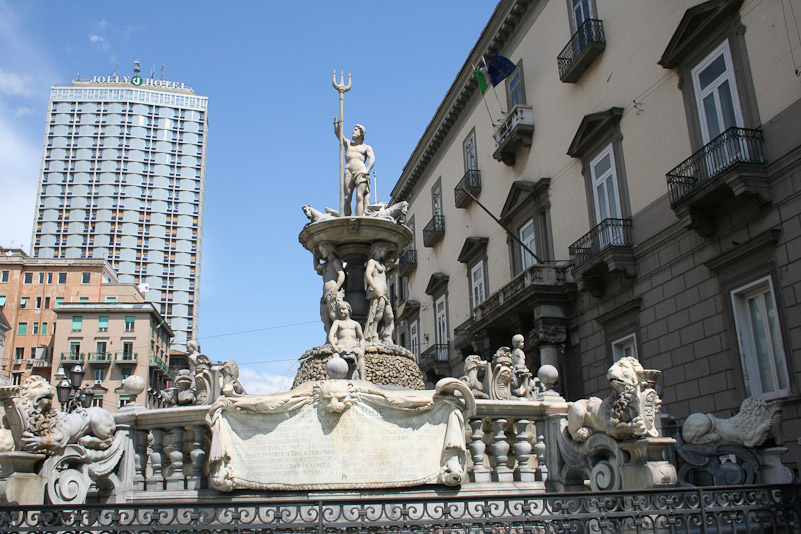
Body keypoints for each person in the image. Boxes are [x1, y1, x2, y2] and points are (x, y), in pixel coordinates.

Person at [334, 121, 375, 216]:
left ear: (361, 133)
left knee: (359, 196)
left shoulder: (366, 147)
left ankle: (359, 219)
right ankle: (347, 220)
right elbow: (338, 134)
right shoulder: (348, 144)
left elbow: (372, 158)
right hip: (348, 171)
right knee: (347, 197)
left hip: (361, 171)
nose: (353, 131)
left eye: (355, 130)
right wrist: (336, 125)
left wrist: (367, 170)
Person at [328, 301, 366, 380]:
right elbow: (331, 335)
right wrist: (334, 346)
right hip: (341, 347)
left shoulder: (355, 324)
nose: (341, 311)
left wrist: (362, 348)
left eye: (343, 309)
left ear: (349, 310)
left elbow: (362, 338)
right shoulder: (337, 322)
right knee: (335, 356)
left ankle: (362, 378)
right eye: (339, 310)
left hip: (353, 347)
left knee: (360, 354)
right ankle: (336, 379)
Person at [364, 242, 394, 343]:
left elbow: (395, 264)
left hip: (384, 293)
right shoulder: (372, 262)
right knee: (378, 314)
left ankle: (387, 335)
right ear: (378, 250)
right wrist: (374, 287)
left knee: (390, 316)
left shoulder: (382, 263)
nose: (385, 253)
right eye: (384, 250)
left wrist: (397, 250)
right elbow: (368, 274)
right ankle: (373, 335)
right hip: (378, 290)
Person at [314, 242, 345, 337]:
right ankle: (330, 336)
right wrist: (315, 255)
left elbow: (341, 274)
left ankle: (339, 336)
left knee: (333, 314)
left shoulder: (335, 261)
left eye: (322, 250)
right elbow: (316, 267)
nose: (321, 253)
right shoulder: (326, 264)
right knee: (325, 316)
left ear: (327, 249)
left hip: (332, 289)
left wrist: (336, 288)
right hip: (325, 292)